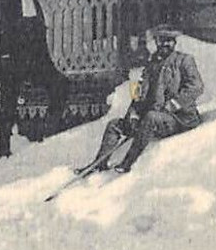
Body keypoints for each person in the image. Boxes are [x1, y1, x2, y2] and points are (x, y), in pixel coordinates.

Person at [78, 26, 203, 174]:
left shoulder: (184, 60)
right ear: (156, 42)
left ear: (174, 42)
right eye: (162, 40)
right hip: (154, 117)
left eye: (169, 41)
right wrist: (133, 114)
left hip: (179, 119)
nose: (165, 44)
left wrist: (172, 105)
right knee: (114, 125)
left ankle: (127, 163)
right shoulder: (151, 64)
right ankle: (99, 164)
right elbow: (139, 93)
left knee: (151, 118)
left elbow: (196, 87)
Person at [0, 0, 71, 159]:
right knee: (7, 103)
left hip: (34, 63)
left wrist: (50, 68)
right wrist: (4, 56)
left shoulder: (34, 3)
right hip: (10, 61)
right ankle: (3, 148)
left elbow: (40, 40)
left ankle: (48, 132)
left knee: (60, 84)